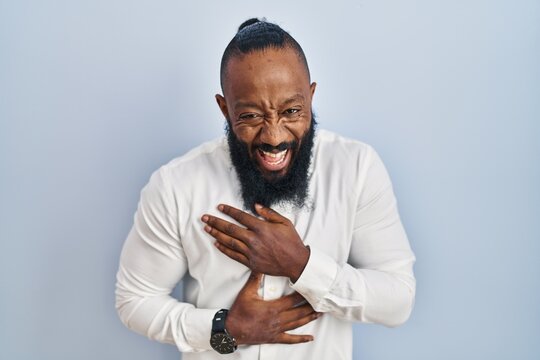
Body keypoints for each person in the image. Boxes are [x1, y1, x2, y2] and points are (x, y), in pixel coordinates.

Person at [115, 18, 416, 360]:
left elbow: (398, 299)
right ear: (225, 109)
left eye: (291, 111)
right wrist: (224, 329)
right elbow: (134, 300)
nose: (274, 137)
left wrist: (300, 264)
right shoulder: (175, 185)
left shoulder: (356, 168)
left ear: (311, 97)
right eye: (251, 116)